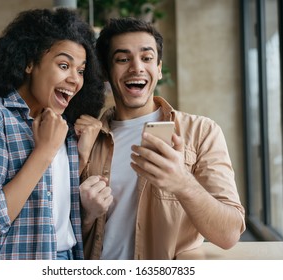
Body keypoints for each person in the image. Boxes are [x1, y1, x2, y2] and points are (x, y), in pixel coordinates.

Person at [77, 17, 246, 260]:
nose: (137, 67)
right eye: (123, 59)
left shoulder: (202, 132)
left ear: (158, 68)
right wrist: (86, 216)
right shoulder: (86, 137)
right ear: (105, 70)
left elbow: (229, 234)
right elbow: (56, 237)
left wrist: (181, 182)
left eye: (146, 58)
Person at [0, 8, 105, 260]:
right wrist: (43, 151)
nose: (75, 80)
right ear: (29, 63)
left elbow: (51, 212)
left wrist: (81, 156)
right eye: (64, 65)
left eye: (80, 70)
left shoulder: (61, 126)